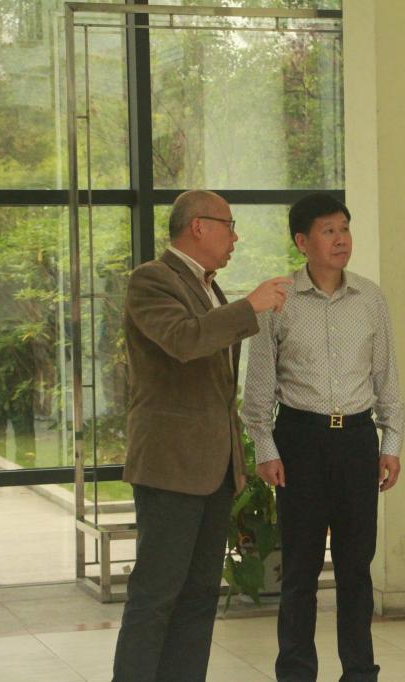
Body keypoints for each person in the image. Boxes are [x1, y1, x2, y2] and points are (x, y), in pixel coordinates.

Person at [112, 190, 292, 682]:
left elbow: (217, 384)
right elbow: (184, 340)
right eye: (229, 226)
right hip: (170, 466)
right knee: (155, 595)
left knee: (199, 597)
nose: (235, 238)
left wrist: (236, 460)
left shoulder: (211, 288)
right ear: (198, 226)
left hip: (214, 470)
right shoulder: (152, 279)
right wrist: (251, 306)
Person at [242, 193, 405, 682]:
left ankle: (360, 671)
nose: (341, 239)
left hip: (356, 440)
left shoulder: (370, 298)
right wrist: (266, 448)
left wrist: (391, 445)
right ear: (302, 241)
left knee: (356, 568)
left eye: (344, 228)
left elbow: (388, 380)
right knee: (300, 569)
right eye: (328, 230)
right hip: (301, 440)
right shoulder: (277, 300)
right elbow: (259, 386)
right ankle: (295, 672)